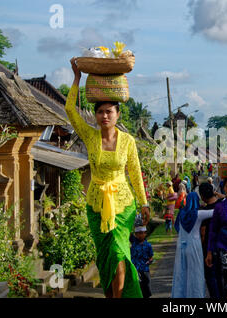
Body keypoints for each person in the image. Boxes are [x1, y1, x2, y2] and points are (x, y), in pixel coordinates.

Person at [67, 58, 149, 298]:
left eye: (109, 112)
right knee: (105, 258)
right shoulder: (90, 136)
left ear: (117, 113)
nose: (104, 116)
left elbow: (134, 172)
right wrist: (76, 79)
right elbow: (70, 111)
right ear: (96, 115)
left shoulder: (128, 141)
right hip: (96, 204)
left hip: (122, 206)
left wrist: (143, 202)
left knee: (118, 253)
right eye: (100, 112)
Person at [171, 192, 214, 298]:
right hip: (194, 246)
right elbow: (214, 211)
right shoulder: (198, 214)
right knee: (196, 274)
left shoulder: (181, 214)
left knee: (181, 274)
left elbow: (176, 227)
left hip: (181, 246)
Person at [199, 182, 224, 298]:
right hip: (224, 244)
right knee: (222, 275)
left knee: (210, 276)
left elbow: (203, 234)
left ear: (202, 196)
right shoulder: (223, 204)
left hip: (209, 247)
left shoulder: (203, 211)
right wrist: (216, 193)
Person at [130, 225, 154, 298]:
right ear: (136, 234)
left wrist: (149, 261)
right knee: (137, 289)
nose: (141, 235)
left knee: (146, 288)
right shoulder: (134, 242)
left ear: (145, 233)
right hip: (135, 270)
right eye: (139, 233)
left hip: (145, 270)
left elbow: (151, 257)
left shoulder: (148, 245)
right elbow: (128, 232)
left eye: (143, 233)